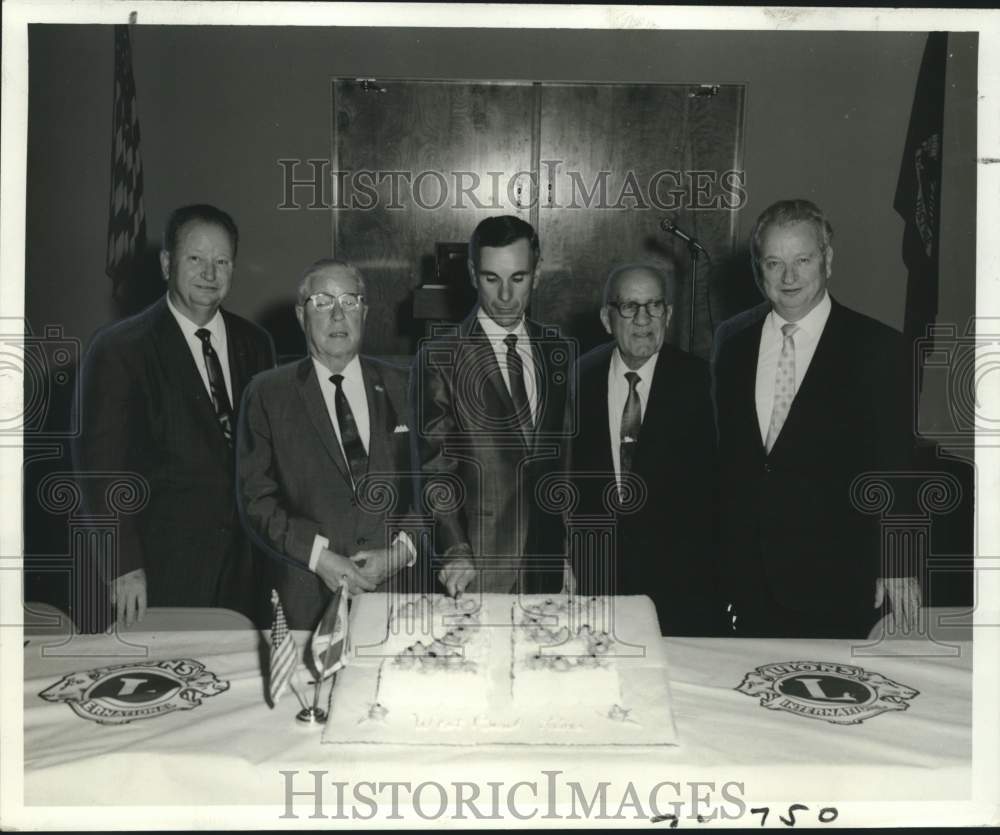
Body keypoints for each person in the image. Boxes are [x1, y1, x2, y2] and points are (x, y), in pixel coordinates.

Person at [711, 198, 919, 638]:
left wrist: (897, 562)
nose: (789, 277)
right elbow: (733, 463)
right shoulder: (734, 347)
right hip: (748, 583)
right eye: (774, 262)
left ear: (827, 259)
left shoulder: (877, 348)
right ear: (757, 269)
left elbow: (897, 462)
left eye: (802, 260)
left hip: (840, 582)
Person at [75, 204, 276, 627]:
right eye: (196, 259)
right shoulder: (120, 349)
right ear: (167, 263)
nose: (210, 272)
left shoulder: (255, 343)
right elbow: (101, 469)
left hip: (245, 567)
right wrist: (122, 565)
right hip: (160, 568)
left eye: (222, 261)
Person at [238, 259, 422, 629]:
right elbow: (256, 500)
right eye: (323, 302)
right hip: (304, 599)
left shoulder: (407, 387)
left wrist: (401, 552)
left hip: (398, 597)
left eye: (350, 302)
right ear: (300, 315)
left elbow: (435, 485)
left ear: (365, 312)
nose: (338, 315)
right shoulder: (266, 394)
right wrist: (319, 557)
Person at [412, 215, 571, 596]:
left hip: (546, 568)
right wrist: (455, 549)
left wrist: (565, 556)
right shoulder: (440, 357)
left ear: (538, 273)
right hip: (474, 569)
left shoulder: (557, 351)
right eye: (491, 278)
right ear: (471, 273)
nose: (504, 296)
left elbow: (562, 463)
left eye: (518, 278)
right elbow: (436, 470)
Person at [567, 263, 724, 635]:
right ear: (607, 318)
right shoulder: (576, 379)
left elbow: (722, 492)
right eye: (629, 307)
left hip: (681, 593)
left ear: (667, 315)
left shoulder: (704, 382)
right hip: (596, 586)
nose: (643, 319)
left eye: (654, 306)